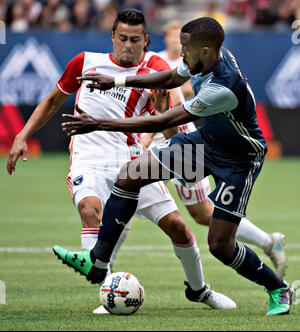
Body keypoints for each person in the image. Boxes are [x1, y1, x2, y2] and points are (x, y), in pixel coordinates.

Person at [56, 16, 295, 316]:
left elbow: (163, 120)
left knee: (220, 245)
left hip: (239, 160)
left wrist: (99, 123)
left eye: (185, 48)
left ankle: (278, 288)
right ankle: (98, 260)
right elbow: (170, 78)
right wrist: (117, 79)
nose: (180, 54)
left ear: (206, 51)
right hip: (206, 144)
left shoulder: (222, 87)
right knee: (131, 175)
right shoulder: (202, 59)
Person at [7, 9, 236, 313]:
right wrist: (22, 135)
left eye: (135, 39)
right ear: (112, 37)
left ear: (146, 41)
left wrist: (161, 107)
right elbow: (51, 101)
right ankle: (109, 292)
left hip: (129, 159)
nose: (128, 45)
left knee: (178, 227)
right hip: (87, 158)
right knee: (91, 211)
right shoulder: (85, 62)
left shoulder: (156, 69)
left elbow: (168, 128)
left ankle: (200, 290)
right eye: (123, 38)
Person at [141, 19, 286, 277]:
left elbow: (172, 106)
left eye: (182, 39)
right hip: (174, 138)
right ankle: (102, 264)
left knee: (205, 215)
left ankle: (265, 242)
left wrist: (148, 136)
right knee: (131, 183)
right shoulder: (158, 61)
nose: (178, 44)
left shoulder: (195, 67)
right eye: (174, 37)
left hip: (184, 138)